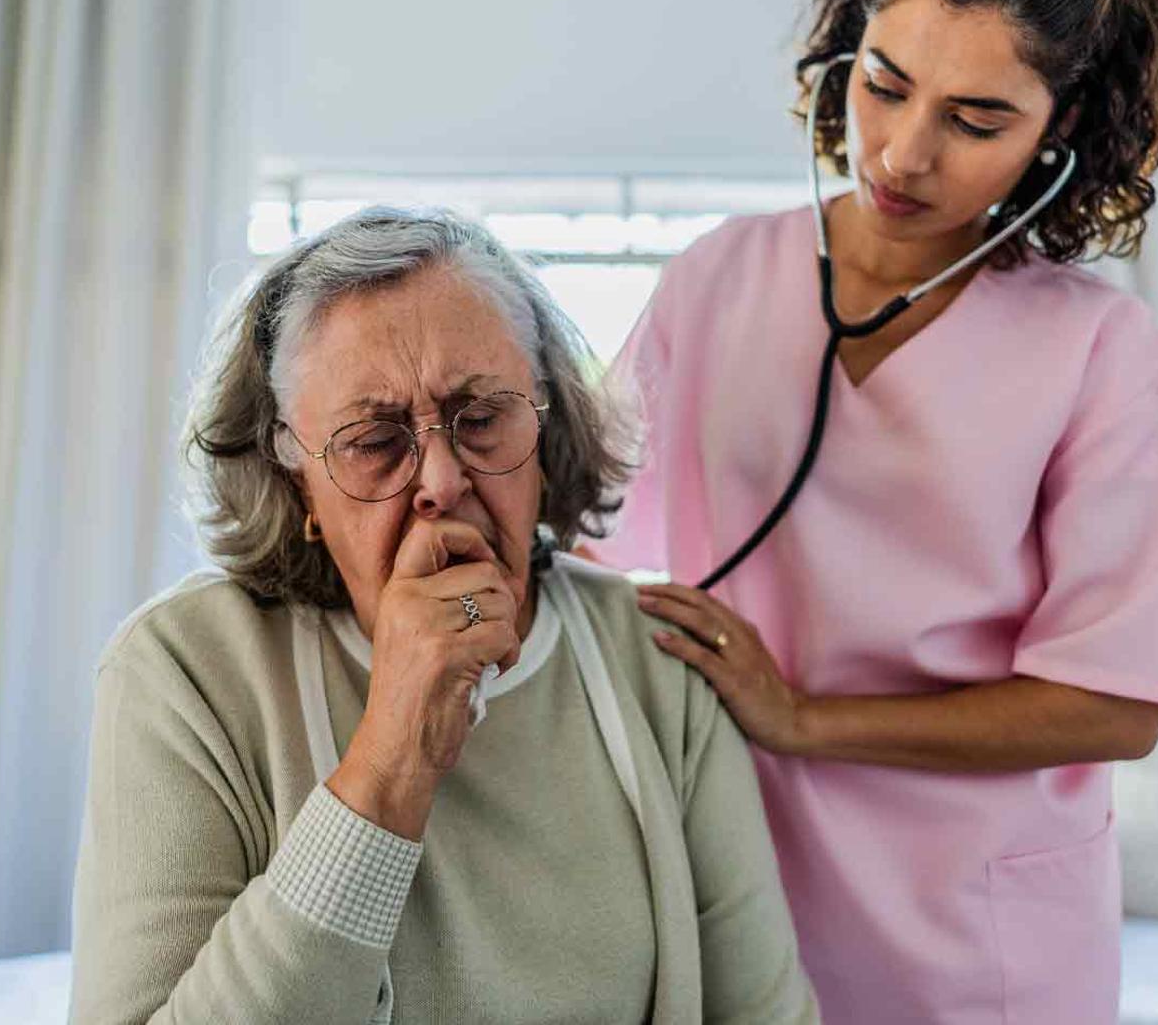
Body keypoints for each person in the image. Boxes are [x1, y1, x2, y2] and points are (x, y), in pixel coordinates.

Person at [587, 0, 1158, 1021]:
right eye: (884, 84)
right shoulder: (717, 278)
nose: (904, 153)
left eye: (976, 121)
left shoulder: (1106, 355)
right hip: (739, 882)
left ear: (1058, 128)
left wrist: (802, 719)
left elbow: (1113, 705)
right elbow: (579, 523)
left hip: (979, 937)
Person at [68, 207, 819, 1023]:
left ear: (546, 429)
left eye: (482, 420)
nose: (441, 481)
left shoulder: (660, 660)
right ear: (296, 482)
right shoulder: (184, 672)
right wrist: (392, 761)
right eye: (374, 440)